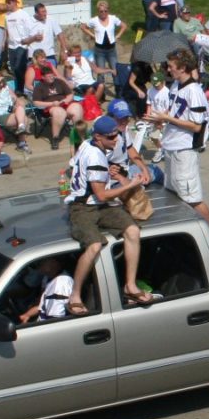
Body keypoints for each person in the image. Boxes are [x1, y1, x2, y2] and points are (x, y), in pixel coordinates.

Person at [65, 116, 148, 311]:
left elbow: (75, 164)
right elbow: (101, 195)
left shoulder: (88, 145)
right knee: (94, 246)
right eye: (111, 137)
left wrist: (105, 172)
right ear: (98, 137)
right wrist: (133, 184)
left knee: (133, 231)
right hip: (83, 207)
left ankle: (130, 285)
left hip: (100, 205)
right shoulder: (95, 156)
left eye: (117, 135)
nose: (116, 140)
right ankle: (75, 296)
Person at [149, 50, 209, 227]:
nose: (168, 70)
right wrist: (160, 120)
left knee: (192, 198)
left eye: (171, 67)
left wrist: (167, 119)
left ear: (182, 67)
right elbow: (175, 112)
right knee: (173, 193)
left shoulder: (195, 91)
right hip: (171, 146)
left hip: (184, 150)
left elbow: (196, 126)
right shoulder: (176, 86)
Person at [19, 257, 75, 324]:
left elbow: (55, 320)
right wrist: (27, 314)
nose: (40, 263)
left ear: (54, 263)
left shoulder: (61, 283)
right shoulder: (47, 277)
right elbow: (42, 303)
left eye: (44, 260)